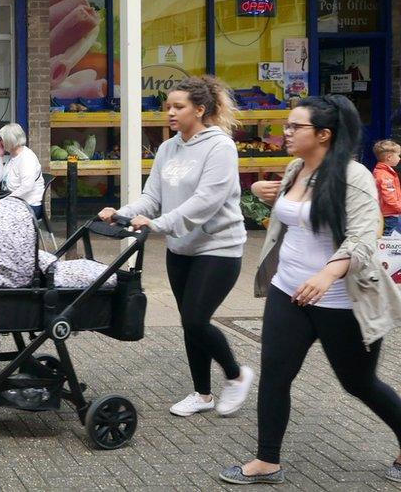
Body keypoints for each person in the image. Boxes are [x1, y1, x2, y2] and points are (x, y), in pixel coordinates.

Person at [221, 96, 401, 485]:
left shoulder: (355, 177)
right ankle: (267, 461)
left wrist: (326, 275)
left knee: (358, 383)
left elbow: (364, 236)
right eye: (287, 125)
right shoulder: (294, 168)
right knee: (275, 375)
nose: (285, 132)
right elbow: (298, 219)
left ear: (323, 135)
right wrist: (267, 196)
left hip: (342, 301)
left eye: (294, 127)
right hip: (288, 291)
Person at [99, 76, 254, 418]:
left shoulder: (220, 147)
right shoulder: (168, 148)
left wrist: (159, 225)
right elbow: (153, 196)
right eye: (167, 106)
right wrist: (122, 214)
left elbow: (206, 201)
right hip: (180, 249)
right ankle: (202, 394)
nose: (169, 112)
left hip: (218, 248)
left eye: (178, 107)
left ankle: (236, 374)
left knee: (197, 319)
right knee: (189, 323)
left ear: (200, 110)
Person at [0, 123, 46, 218]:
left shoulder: (26, 158)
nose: (0, 142)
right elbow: (0, 178)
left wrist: (4, 201)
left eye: (2, 140)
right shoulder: (13, 156)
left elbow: (27, 186)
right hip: (15, 203)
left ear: (9, 141)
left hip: (28, 206)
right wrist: (0, 156)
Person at [372, 139, 401, 236]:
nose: (399, 158)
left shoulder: (383, 172)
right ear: (389, 157)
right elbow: (389, 197)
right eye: (398, 155)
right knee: (388, 240)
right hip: (389, 215)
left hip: (388, 213)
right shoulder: (385, 175)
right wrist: (399, 207)